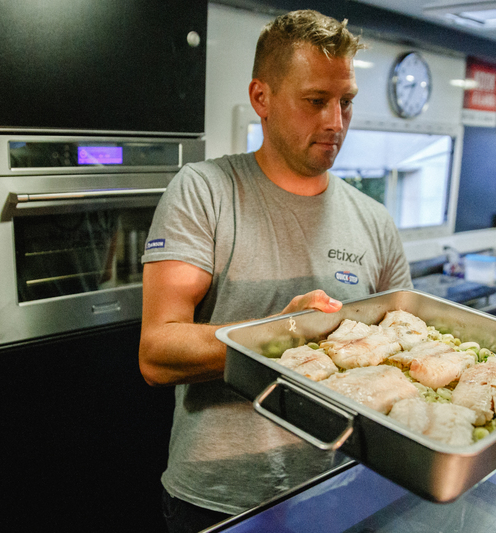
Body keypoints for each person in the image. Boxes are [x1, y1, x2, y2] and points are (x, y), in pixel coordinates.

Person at [138, 9, 413, 533]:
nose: (336, 122)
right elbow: (157, 352)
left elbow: (402, 352)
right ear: (261, 98)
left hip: (342, 487)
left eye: (346, 102)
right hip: (221, 497)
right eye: (316, 101)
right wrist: (282, 334)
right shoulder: (205, 192)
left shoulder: (374, 221)